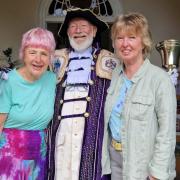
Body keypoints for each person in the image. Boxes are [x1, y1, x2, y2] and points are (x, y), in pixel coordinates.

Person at [101, 12, 177, 180]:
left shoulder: (159, 79)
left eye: (132, 37)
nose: (125, 44)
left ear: (143, 42)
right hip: (115, 160)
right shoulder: (113, 76)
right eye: (120, 38)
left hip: (144, 163)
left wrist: (157, 172)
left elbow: (167, 133)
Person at [47, 7, 119, 180]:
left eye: (83, 25)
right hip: (60, 138)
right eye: (73, 26)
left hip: (93, 139)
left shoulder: (110, 60)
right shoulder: (54, 59)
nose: (78, 30)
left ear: (94, 31)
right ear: (67, 32)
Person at [0, 27, 56, 179]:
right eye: (32, 52)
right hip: (9, 154)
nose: (38, 59)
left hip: (39, 151)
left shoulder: (52, 79)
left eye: (44, 54)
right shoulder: (8, 81)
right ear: (23, 54)